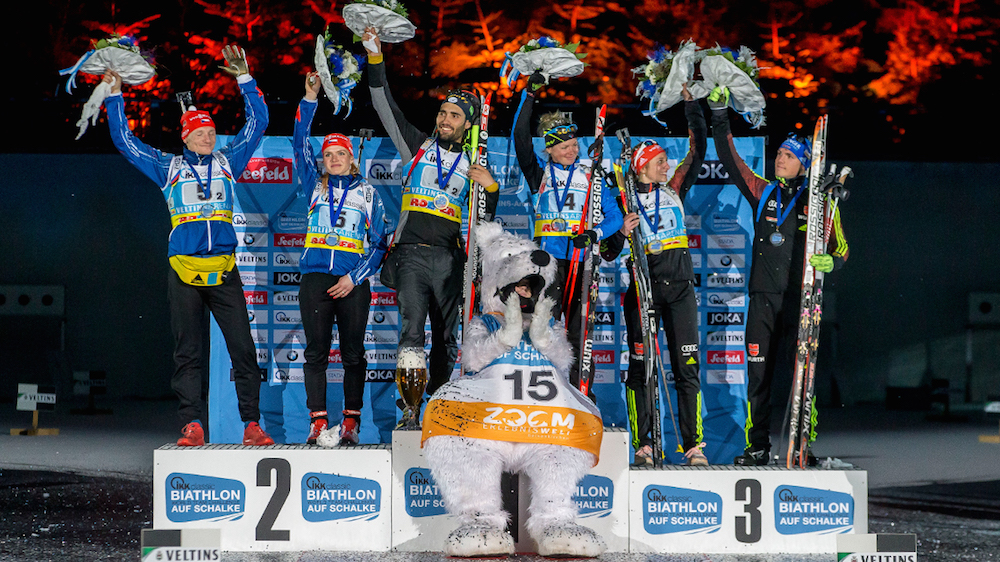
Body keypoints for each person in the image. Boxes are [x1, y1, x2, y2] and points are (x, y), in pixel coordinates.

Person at [102, 46, 273, 446]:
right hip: (184, 270)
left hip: (224, 270)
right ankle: (192, 424)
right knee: (188, 353)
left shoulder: (229, 161)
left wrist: (244, 80)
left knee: (243, 350)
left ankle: (252, 424)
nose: (209, 136)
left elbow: (258, 123)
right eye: (201, 133)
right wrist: (114, 95)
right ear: (186, 137)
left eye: (212, 132)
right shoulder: (169, 168)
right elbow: (124, 141)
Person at [363, 28, 499, 424]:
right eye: (442, 112)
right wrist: (375, 57)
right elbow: (383, 104)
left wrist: (490, 189)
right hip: (410, 256)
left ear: (467, 123)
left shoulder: (476, 165)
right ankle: (409, 409)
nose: (444, 119)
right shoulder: (418, 146)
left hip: (450, 260)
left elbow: (484, 222)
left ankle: (439, 410)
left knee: (446, 340)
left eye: (454, 115)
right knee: (411, 335)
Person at [709, 87, 849, 466]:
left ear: (805, 163)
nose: (780, 159)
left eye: (788, 156)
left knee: (803, 375)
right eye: (779, 154)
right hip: (763, 298)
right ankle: (757, 446)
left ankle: (803, 443)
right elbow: (731, 158)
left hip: (800, 300)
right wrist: (720, 113)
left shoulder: (819, 201)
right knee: (758, 376)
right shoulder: (764, 191)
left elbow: (842, 248)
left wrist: (830, 263)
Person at [602, 86, 707, 466]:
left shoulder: (674, 188)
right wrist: (621, 232)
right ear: (642, 166)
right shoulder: (622, 200)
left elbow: (698, 154)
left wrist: (692, 106)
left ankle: (693, 445)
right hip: (642, 294)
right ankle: (644, 444)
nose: (667, 165)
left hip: (679, 292)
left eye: (666, 160)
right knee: (640, 370)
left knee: (686, 370)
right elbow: (606, 251)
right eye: (660, 161)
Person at [512, 72, 624, 393]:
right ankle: (544, 391)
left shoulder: (592, 172)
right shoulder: (540, 173)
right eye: (565, 146)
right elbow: (521, 139)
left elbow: (616, 216)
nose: (573, 150)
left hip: (582, 260)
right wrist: (529, 96)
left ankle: (579, 393)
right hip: (548, 264)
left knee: (578, 332)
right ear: (550, 149)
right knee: (543, 330)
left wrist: (594, 234)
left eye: (575, 145)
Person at [294, 71, 390, 445]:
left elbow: (381, 243)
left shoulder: (368, 193)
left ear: (351, 159)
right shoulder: (313, 185)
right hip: (316, 278)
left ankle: (351, 422)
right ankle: (318, 421)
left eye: (340, 154)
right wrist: (309, 98)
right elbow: (300, 141)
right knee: (316, 353)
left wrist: (356, 277)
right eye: (329, 155)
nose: (333, 159)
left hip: (353, 282)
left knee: (353, 354)